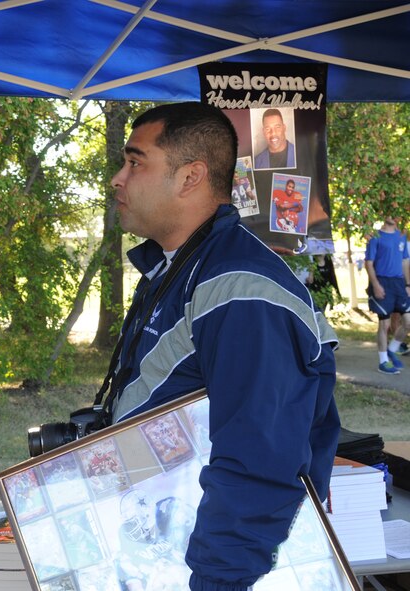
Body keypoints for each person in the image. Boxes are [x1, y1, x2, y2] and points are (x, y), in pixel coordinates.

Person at [107, 102, 340, 591]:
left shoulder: (241, 289)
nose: (117, 178)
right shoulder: (179, 267)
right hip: (163, 539)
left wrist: (217, 582)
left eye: (135, 162)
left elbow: (259, 461)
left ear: (191, 176)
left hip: (216, 570)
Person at [364, 217, 410, 374]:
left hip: (399, 284)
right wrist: (376, 285)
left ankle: (392, 349)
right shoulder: (375, 237)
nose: (393, 216)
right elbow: (368, 263)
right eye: (389, 213)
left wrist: (408, 285)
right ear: (384, 215)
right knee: (385, 325)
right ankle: (383, 362)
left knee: (408, 322)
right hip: (382, 282)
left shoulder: (402, 235)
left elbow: (405, 261)